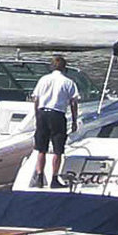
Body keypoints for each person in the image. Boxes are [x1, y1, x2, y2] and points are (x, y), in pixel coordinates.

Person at [32, 54, 82, 189]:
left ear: (52, 67)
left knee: (41, 148)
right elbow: (73, 102)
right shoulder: (68, 82)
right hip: (57, 114)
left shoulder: (43, 80)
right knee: (57, 149)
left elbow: (36, 99)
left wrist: (37, 115)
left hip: (43, 113)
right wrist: (74, 120)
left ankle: (39, 177)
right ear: (64, 68)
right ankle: (54, 178)